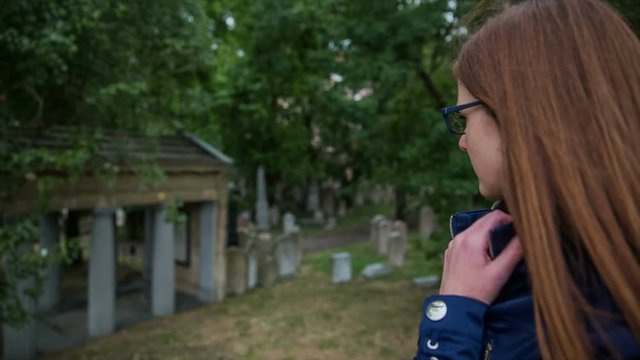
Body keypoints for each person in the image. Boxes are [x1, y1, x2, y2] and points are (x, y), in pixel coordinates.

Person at [414, 0, 640, 359]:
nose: (462, 141)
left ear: (519, 119)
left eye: (463, 118)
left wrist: (452, 316)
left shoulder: (590, 329)